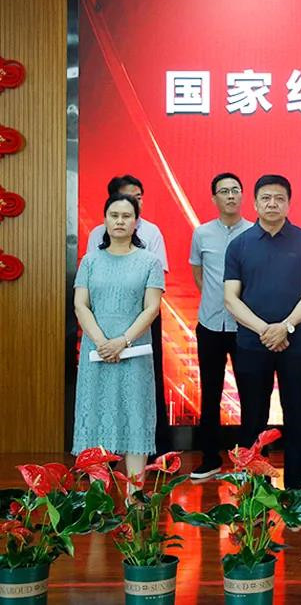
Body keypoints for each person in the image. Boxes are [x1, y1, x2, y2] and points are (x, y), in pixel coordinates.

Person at [223, 175, 301, 489]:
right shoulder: (239, 244)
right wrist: (265, 330)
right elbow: (230, 298)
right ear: (254, 203)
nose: (272, 204)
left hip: (298, 343)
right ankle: (256, 488)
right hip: (253, 343)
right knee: (253, 416)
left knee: (298, 415)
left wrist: (286, 327)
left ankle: (296, 488)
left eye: (279, 198)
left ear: (289, 203)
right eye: (266, 198)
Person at [73, 193, 165, 482]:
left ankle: (134, 498)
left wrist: (122, 341)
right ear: (105, 220)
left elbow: (151, 308)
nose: (120, 221)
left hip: (133, 352)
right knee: (96, 419)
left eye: (127, 216)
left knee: (134, 417)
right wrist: (103, 343)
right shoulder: (90, 261)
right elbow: (80, 305)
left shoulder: (149, 261)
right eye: (114, 215)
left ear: (136, 222)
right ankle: (97, 498)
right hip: (96, 353)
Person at [87, 175, 171, 454]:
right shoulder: (95, 237)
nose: (135, 202)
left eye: (138, 197)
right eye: (128, 196)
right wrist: (103, 340)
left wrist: (125, 338)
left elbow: (156, 285)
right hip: (102, 322)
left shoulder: (152, 233)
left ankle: (153, 452)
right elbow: (88, 288)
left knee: (143, 388)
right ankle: (103, 461)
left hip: (141, 318)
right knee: (102, 392)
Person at [188, 172, 252, 480]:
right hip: (210, 325)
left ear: (243, 195)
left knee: (251, 394)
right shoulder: (201, 233)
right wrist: (216, 300)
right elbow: (198, 273)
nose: (230, 196)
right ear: (214, 198)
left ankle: (250, 460)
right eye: (224, 191)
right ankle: (210, 458)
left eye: (235, 190)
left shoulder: (254, 233)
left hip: (246, 327)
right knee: (210, 393)